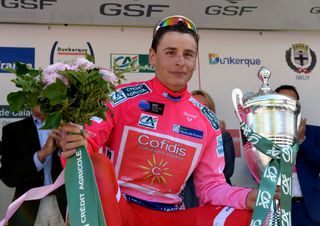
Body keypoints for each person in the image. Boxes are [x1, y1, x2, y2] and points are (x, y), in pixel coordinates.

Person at [57, 15, 257, 226]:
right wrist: (74, 143)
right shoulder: (121, 98)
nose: (180, 61)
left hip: (171, 216)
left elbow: (211, 186)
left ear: (195, 61)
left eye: (188, 54)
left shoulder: (207, 120)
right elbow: (85, 147)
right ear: (152, 56)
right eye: (170, 53)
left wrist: (246, 197)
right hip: (119, 210)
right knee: (95, 164)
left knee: (248, 215)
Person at [0, 106, 66, 226]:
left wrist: (64, 150)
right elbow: (8, 177)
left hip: (66, 206)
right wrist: (41, 154)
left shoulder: (68, 127)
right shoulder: (12, 131)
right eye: (36, 92)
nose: (41, 97)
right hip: (28, 207)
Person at [275, 85, 320, 226]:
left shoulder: (314, 132)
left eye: (292, 102)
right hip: (278, 207)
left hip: (309, 208)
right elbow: (258, 172)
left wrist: (302, 140)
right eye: (282, 102)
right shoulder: (264, 136)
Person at [183, 90, 236, 208]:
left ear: (212, 112)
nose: (199, 111)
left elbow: (227, 171)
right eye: (194, 106)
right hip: (186, 203)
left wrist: (219, 137)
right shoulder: (177, 135)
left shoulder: (223, 136)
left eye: (204, 108)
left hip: (215, 203)